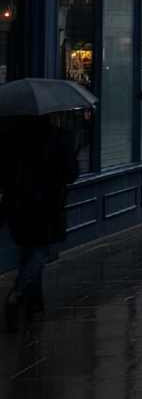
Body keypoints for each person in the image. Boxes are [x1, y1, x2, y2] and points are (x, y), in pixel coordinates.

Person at [1, 116, 80, 327]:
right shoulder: (60, 137)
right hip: (47, 205)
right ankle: (17, 293)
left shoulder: (10, 136)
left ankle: (34, 303)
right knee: (41, 251)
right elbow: (71, 174)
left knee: (27, 251)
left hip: (17, 203)